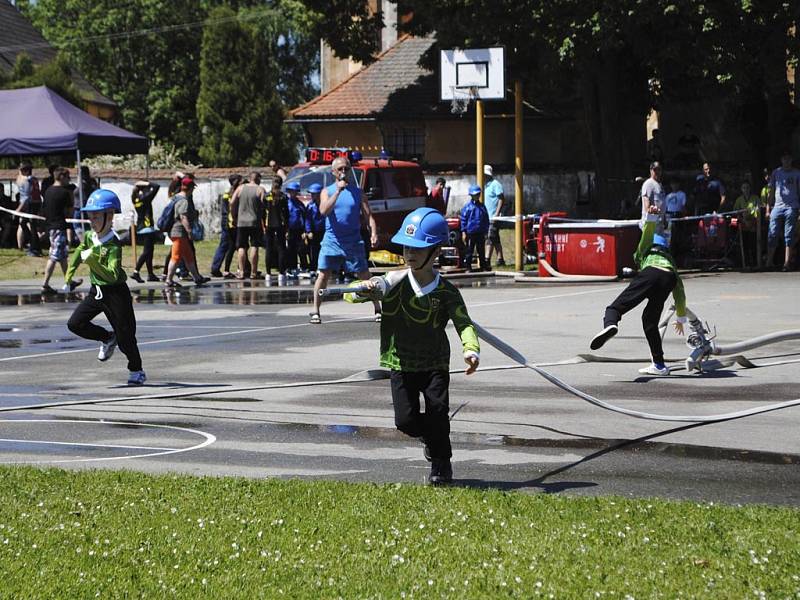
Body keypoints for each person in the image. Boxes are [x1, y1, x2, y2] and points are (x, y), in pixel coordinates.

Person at [345, 208, 480, 485]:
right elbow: (350, 295)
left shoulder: (447, 292)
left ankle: (441, 464)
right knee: (404, 421)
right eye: (406, 247)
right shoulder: (392, 284)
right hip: (400, 362)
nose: (410, 254)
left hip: (434, 363)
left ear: (436, 251)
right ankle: (432, 439)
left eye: (418, 248)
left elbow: (464, 323)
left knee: (438, 415)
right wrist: (363, 287)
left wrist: (471, 349)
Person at [590, 205, 687, 376]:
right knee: (650, 321)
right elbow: (679, 290)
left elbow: (646, 235)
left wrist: (650, 218)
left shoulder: (644, 251)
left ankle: (610, 324)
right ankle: (659, 365)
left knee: (614, 308)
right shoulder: (670, 261)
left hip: (651, 273)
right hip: (668, 279)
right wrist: (680, 317)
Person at [64, 189, 146, 385]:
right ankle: (107, 337)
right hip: (97, 291)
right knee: (75, 324)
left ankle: (137, 370)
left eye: (96, 216)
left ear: (109, 216)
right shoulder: (90, 236)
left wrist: (92, 261)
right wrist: (69, 275)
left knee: (126, 338)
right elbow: (79, 252)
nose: (92, 221)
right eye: (90, 217)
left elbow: (112, 274)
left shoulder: (113, 245)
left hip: (116, 294)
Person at [310, 156, 380, 324]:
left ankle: (377, 308)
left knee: (364, 275)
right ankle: (315, 311)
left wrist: (374, 232)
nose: (343, 172)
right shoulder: (327, 191)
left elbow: (368, 216)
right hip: (332, 241)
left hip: (353, 241)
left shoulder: (358, 193)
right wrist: (338, 191)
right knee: (323, 274)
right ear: (334, 172)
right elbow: (324, 211)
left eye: (346, 169)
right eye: (340, 169)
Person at [41, 168, 82, 294]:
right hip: (59, 226)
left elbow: (44, 209)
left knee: (63, 256)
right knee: (54, 257)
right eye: (68, 177)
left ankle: (68, 281)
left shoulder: (48, 191)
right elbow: (69, 212)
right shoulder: (64, 193)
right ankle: (45, 285)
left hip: (51, 226)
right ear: (62, 177)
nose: (69, 180)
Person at [165, 177, 209, 287]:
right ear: (189, 188)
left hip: (178, 232)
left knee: (188, 255)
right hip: (179, 232)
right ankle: (169, 280)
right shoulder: (183, 200)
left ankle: (197, 277)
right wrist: (189, 231)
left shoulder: (175, 197)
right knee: (175, 257)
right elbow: (183, 217)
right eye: (193, 188)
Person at [767, 151, 800, 271]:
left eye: (788, 159)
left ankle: (786, 263)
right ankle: (769, 262)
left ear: (791, 160)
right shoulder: (776, 172)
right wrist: (767, 208)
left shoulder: (797, 173)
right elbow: (771, 190)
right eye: (784, 158)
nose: (786, 161)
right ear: (781, 160)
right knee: (772, 233)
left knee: (789, 235)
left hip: (792, 207)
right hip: (777, 207)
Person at [230, 171, 266, 279]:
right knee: (254, 246)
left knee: (241, 247)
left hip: (241, 222)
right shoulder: (260, 189)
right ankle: (253, 273)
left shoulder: (240, 188)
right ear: (258, 179)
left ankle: (241, 272)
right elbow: (264, 205)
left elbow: (232, 202)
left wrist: (234, 216)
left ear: (250, 178)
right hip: (255, 222)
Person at [210, 174, 241, 278]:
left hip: (225, 222)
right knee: (235, 245)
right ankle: (216, 268)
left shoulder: (226, 194)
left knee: (228, 246)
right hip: (232, 222)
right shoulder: (236, 194)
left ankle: (217, 268)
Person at [130, 180, 161, 283]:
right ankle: (136, 272)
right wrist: (146, 183)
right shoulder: (145, 198)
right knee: (147, 251)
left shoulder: (136, 199)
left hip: (141, 227)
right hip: (147, 228)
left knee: (150, 251)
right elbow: (156, 186)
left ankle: (150, 274)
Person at [733, 180, 763, 268]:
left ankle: (755, 263)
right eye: (744, 188)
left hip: (754, 224)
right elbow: (736, 212)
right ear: (741, 189)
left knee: (753, 244)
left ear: (750, 189)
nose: (746, 189)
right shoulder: (739, 200)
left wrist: (753, 222)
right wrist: (742, 220)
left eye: (747, 187)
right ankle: (746, 263)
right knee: (745, 245)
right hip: (743, 224)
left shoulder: (755, 198)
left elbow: (759, 211)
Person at [460, 184, 489, 272]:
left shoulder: (482, 207)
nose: (477, 196)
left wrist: (486, 231)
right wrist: (463, 232)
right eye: (475, 195)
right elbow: (463, 220)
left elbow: (485, 219)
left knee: (481, 250)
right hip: (470, 232)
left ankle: (483, 266)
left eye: (478, 194)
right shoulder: (467, 207)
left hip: (480, 232)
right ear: (471, 195)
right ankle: (468, 267)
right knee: (469, 250)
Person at [264, 178, 289, 284]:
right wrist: (287, 227)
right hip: (280, 225)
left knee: (269, 249)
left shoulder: (266, 196)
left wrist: (263, 226)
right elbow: (286, 214)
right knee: (281, 248)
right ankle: (281, 273)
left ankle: (268, 273)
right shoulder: (283, 196)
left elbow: (262, 212)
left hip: (268, 225)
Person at [16, 162, 42, 257]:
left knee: (30, 226)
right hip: (35, 203)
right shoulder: (33, 179)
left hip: (31, 205)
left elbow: (26, 197)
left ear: (26, 171)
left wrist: (18, 209)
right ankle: (35, 245)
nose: (20, 172)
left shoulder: (27, 181)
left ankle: (34, 248)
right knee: (28, 225)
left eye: (22, 170)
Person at [483, 165, 506, 267]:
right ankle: (500, 259)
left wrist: (497, 213)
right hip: (486, 216)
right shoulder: (485, 185)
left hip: (493, 216)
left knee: (490, 237)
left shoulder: (495, 184)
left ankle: (487, 259)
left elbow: (501, 198)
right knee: (495, 238)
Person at [285, 181, 308, 277]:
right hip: (290, 230)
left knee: (301, 249)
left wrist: (305, 230)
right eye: (291, 191)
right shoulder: (286, 203)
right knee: (291, 249)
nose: (293, 193)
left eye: (295, 191)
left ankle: (304, 267)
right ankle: (292, 267)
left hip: (299, 229)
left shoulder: (300, 204)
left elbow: (304, 217)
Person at [640, 161, 666, 233]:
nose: (657, 172)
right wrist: (652, 210)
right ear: (651, 171)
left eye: (659, 169)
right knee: (651, 244)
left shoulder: (660, 185)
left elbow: (662, 202)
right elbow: (647, 207)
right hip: (650, 224)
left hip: (660, 224)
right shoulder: (648, 184)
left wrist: (665, 219)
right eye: (655, 170)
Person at [305, 183, 325, 273]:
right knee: (314, 250)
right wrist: (308, 231)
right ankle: (314, 266)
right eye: (311, 194)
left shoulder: (325, 204)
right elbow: (307, 219)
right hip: (314, 231)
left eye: (314, 194)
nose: (312, 196)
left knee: (324, 250)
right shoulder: (310, 206)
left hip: (324, 231)